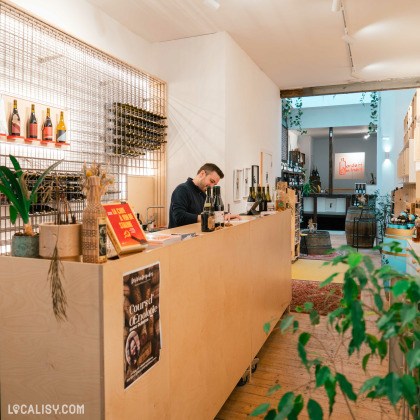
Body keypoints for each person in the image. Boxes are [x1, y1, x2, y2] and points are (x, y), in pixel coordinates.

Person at [169, 163, 240, 228]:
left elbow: (211, 212)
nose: (211, 187)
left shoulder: (202, 194)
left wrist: (226, 214)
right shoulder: (181, 190)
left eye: (214, 184)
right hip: (179, 239)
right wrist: (207, 217)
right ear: (202, 174)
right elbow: (179, 217)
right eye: (211, 181)